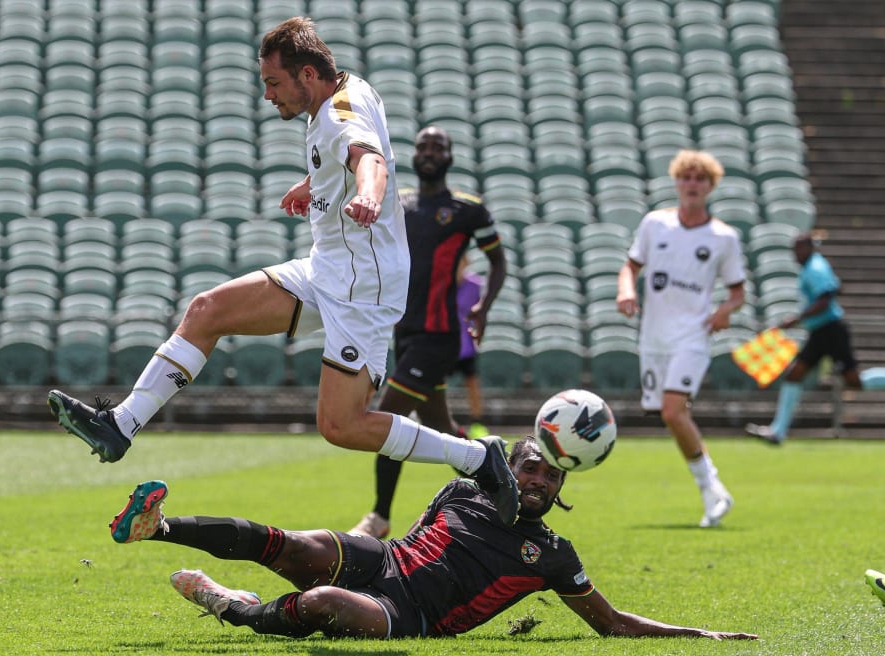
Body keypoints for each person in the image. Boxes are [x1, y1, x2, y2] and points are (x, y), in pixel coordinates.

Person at [45, 17, 519, 525]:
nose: (268, 96)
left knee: (340, 426)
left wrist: (365, 194)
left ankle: (477, 457)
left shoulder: (338, 114)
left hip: (363, 287)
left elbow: (370, 161)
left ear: (308, 74)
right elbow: (349, 151)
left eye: (273, 83)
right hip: (328, 268)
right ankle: (121, 425)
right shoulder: (350, 88)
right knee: (207, 310)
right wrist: (315, 183)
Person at [106, 437, 759, 641]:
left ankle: (230, 605)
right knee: (295, 542)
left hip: (412, 614)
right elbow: (418, 537)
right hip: (386, 562)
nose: (535, 477)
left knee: (327, 599)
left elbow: (612, 624)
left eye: (549, 473)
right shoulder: (466, 490)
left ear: (561, 488)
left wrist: (698, 635)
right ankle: (157, 527)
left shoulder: (553, 555)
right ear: (513, 470)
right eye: (528, 465)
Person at [349, 126, 507, 539]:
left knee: (387, 420)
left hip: (438, 337)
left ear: (451, 156)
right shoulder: (397, 205)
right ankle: (502, 486)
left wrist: (483, 308)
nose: (430, 152)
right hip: (404, 335)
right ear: (414, 155)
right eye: (423, 146)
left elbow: (499, 262)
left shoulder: (468, 208)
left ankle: (379, 517)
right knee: (441, 428)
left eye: (439, 146)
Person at [616, 149, 747, 528]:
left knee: (674, 410)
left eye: (700, 178)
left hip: (692, 335)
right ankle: (713, 487)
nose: (692, 184)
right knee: (671, 415)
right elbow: (631, 265)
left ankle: (711, 489)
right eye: (686, 177)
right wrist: (627, 290)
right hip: (654, 337)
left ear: (710, 186)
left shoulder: (724, 237)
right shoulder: (655, 224)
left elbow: (738, 292)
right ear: (676, 181)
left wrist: (724, 311)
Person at [744, 233, 885, 444]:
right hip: (819, 332)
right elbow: (836, 286)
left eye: (798, 249)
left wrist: (796, 319)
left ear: (807, 248)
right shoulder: (814, 266)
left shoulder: (814, 267)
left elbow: (825, 299)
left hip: (831, 330)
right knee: (794, 375)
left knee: (855, 382)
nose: (794, 254)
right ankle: (777, 432)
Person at [454, 255, 490, 439]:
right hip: (445, 344)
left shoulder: (475, 284)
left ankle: (477, 422)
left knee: (473, 385)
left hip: (466, 345)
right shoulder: (442, 284)